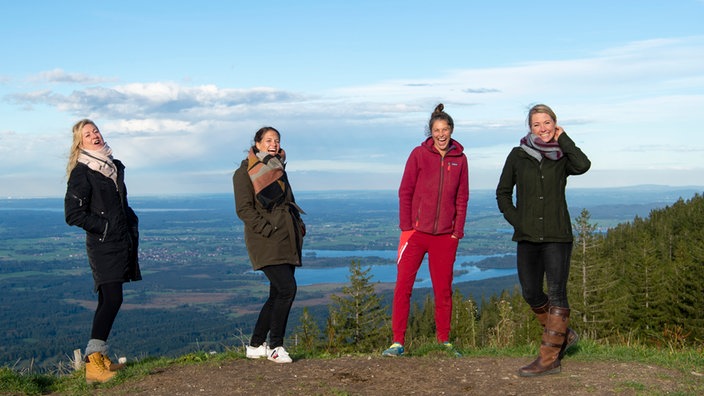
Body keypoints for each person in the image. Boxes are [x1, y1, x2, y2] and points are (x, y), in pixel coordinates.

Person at [496, 104, 591, 377]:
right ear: (530, 127)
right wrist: (518, 220)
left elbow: (583, 165)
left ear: (555, 124)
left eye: (547, 123)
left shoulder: (562, 156)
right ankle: (564, 335)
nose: (543, 128)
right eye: (537, 124)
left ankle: (549, 358)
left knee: (558, 293)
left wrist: (564, 138)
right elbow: (503, 193)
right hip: (527, 236)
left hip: (557, 236)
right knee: (531, 292)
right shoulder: (517, 155)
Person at [382, 104, 469, 357]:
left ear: (451, 130)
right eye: (436, 130)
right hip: (416, 235)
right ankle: (397, 342)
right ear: (430, 132)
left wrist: (456, 233)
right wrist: (407, 228)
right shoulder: (418, 154)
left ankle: (443, 341)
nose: (441, 134)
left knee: (443, 291)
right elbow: (405, 191)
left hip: (445, 237)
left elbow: (462, 198)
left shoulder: (460, 159)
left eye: (445, 129)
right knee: (403, 287)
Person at [64, 119, 141, 384]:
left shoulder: (113, 166)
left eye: (95, 130)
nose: (94, 135)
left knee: (108, 300)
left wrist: (129, 220)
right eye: (87, 134)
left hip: (120, 241)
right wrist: (105, 228)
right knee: (112, 299)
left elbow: (120, 203)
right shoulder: (82, 172)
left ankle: (99, 358)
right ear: (80, 142)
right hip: (102, 245)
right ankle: (93, 363)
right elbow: (73, 214)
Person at [233, 126, 306, 364]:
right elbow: (244, 209)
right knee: (287, 289)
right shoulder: (244, 172)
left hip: (287, 237)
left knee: (277, 293)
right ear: (257, 144)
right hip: (265, 239)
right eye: (268, 140)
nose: (273, 144)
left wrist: (298, 226)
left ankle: (255, 345)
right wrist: (267, 229)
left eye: (277, 140)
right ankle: (276, 346)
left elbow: (289, 201)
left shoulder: (278, 168)